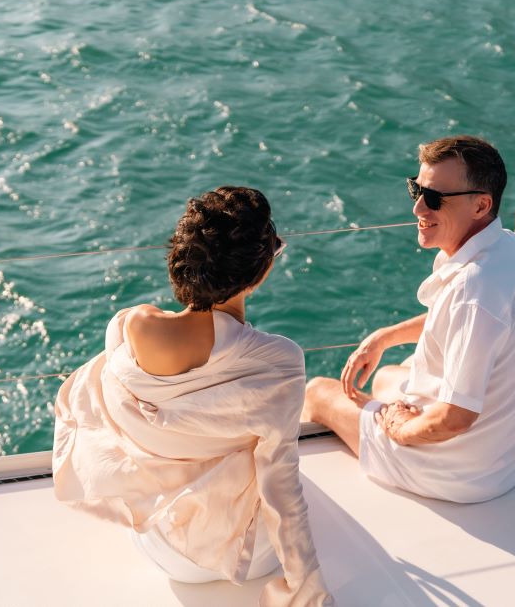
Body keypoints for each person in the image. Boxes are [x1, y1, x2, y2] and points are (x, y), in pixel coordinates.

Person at [53, 186, 334, 606]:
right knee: (274, 459)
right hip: (248, 558)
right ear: (261, 271)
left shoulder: (128, 328)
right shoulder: (278, 361)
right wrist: (306, 589)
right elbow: (281, 485)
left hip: (162, 545)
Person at [304, 135, 515, 504]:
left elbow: (455, 419)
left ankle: (370, 440)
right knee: (387, 375)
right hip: (508, 456)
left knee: (318, 393)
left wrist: (400, 429)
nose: (418, 208)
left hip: (459, 473)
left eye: (434, 198)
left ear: (481, 204)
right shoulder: (510, 248)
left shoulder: (473, 288)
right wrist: (384, 338)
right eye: (415, 190)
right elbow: (467, 319)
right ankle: (378, 414)